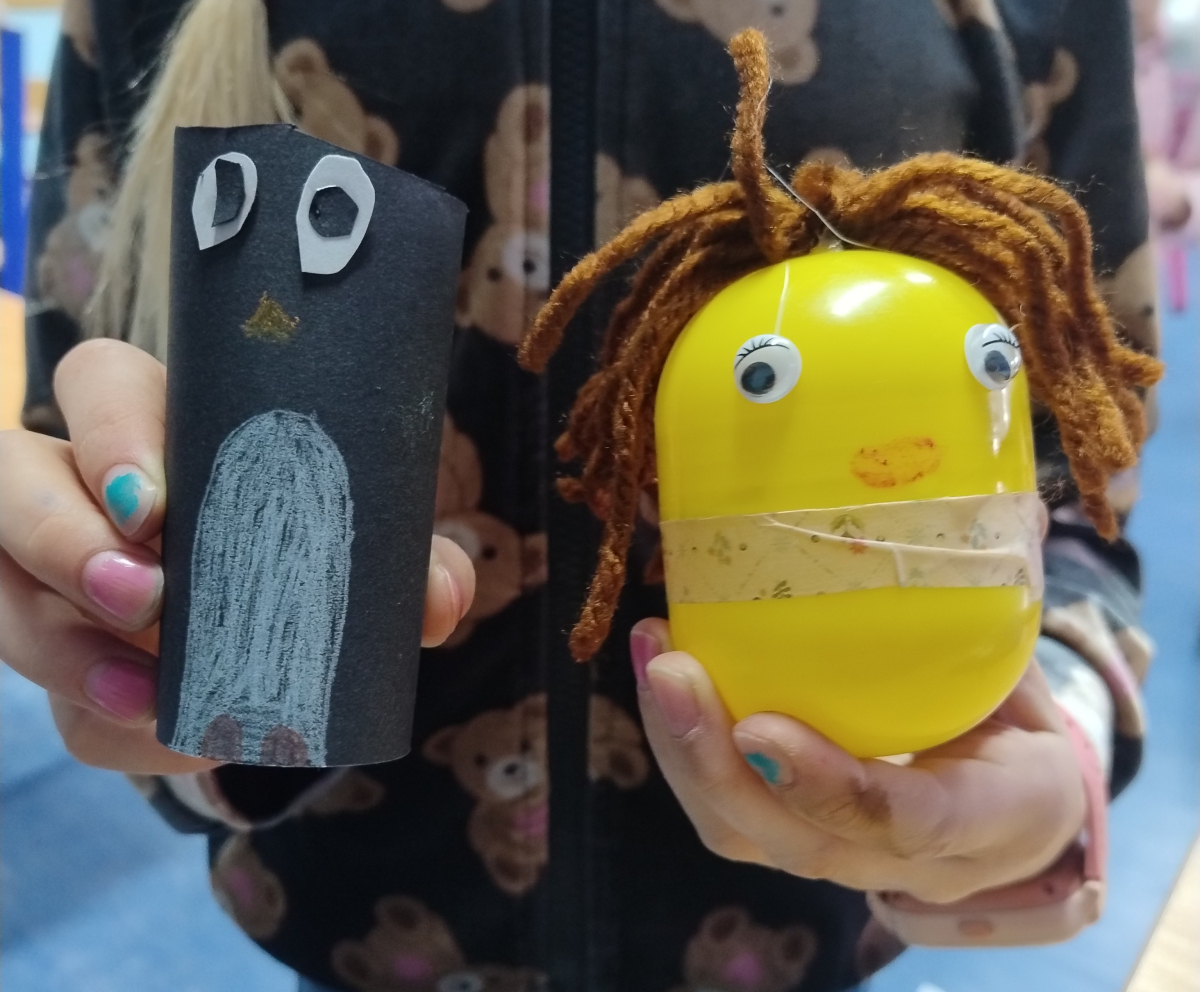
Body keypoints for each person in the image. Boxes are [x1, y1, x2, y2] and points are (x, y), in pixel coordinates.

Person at [2, 1, 1159, 990]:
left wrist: (1055, 729)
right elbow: (88, 396)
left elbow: (1083, 460)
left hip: (796, 927)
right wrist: (127, 615)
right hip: (365, 922)